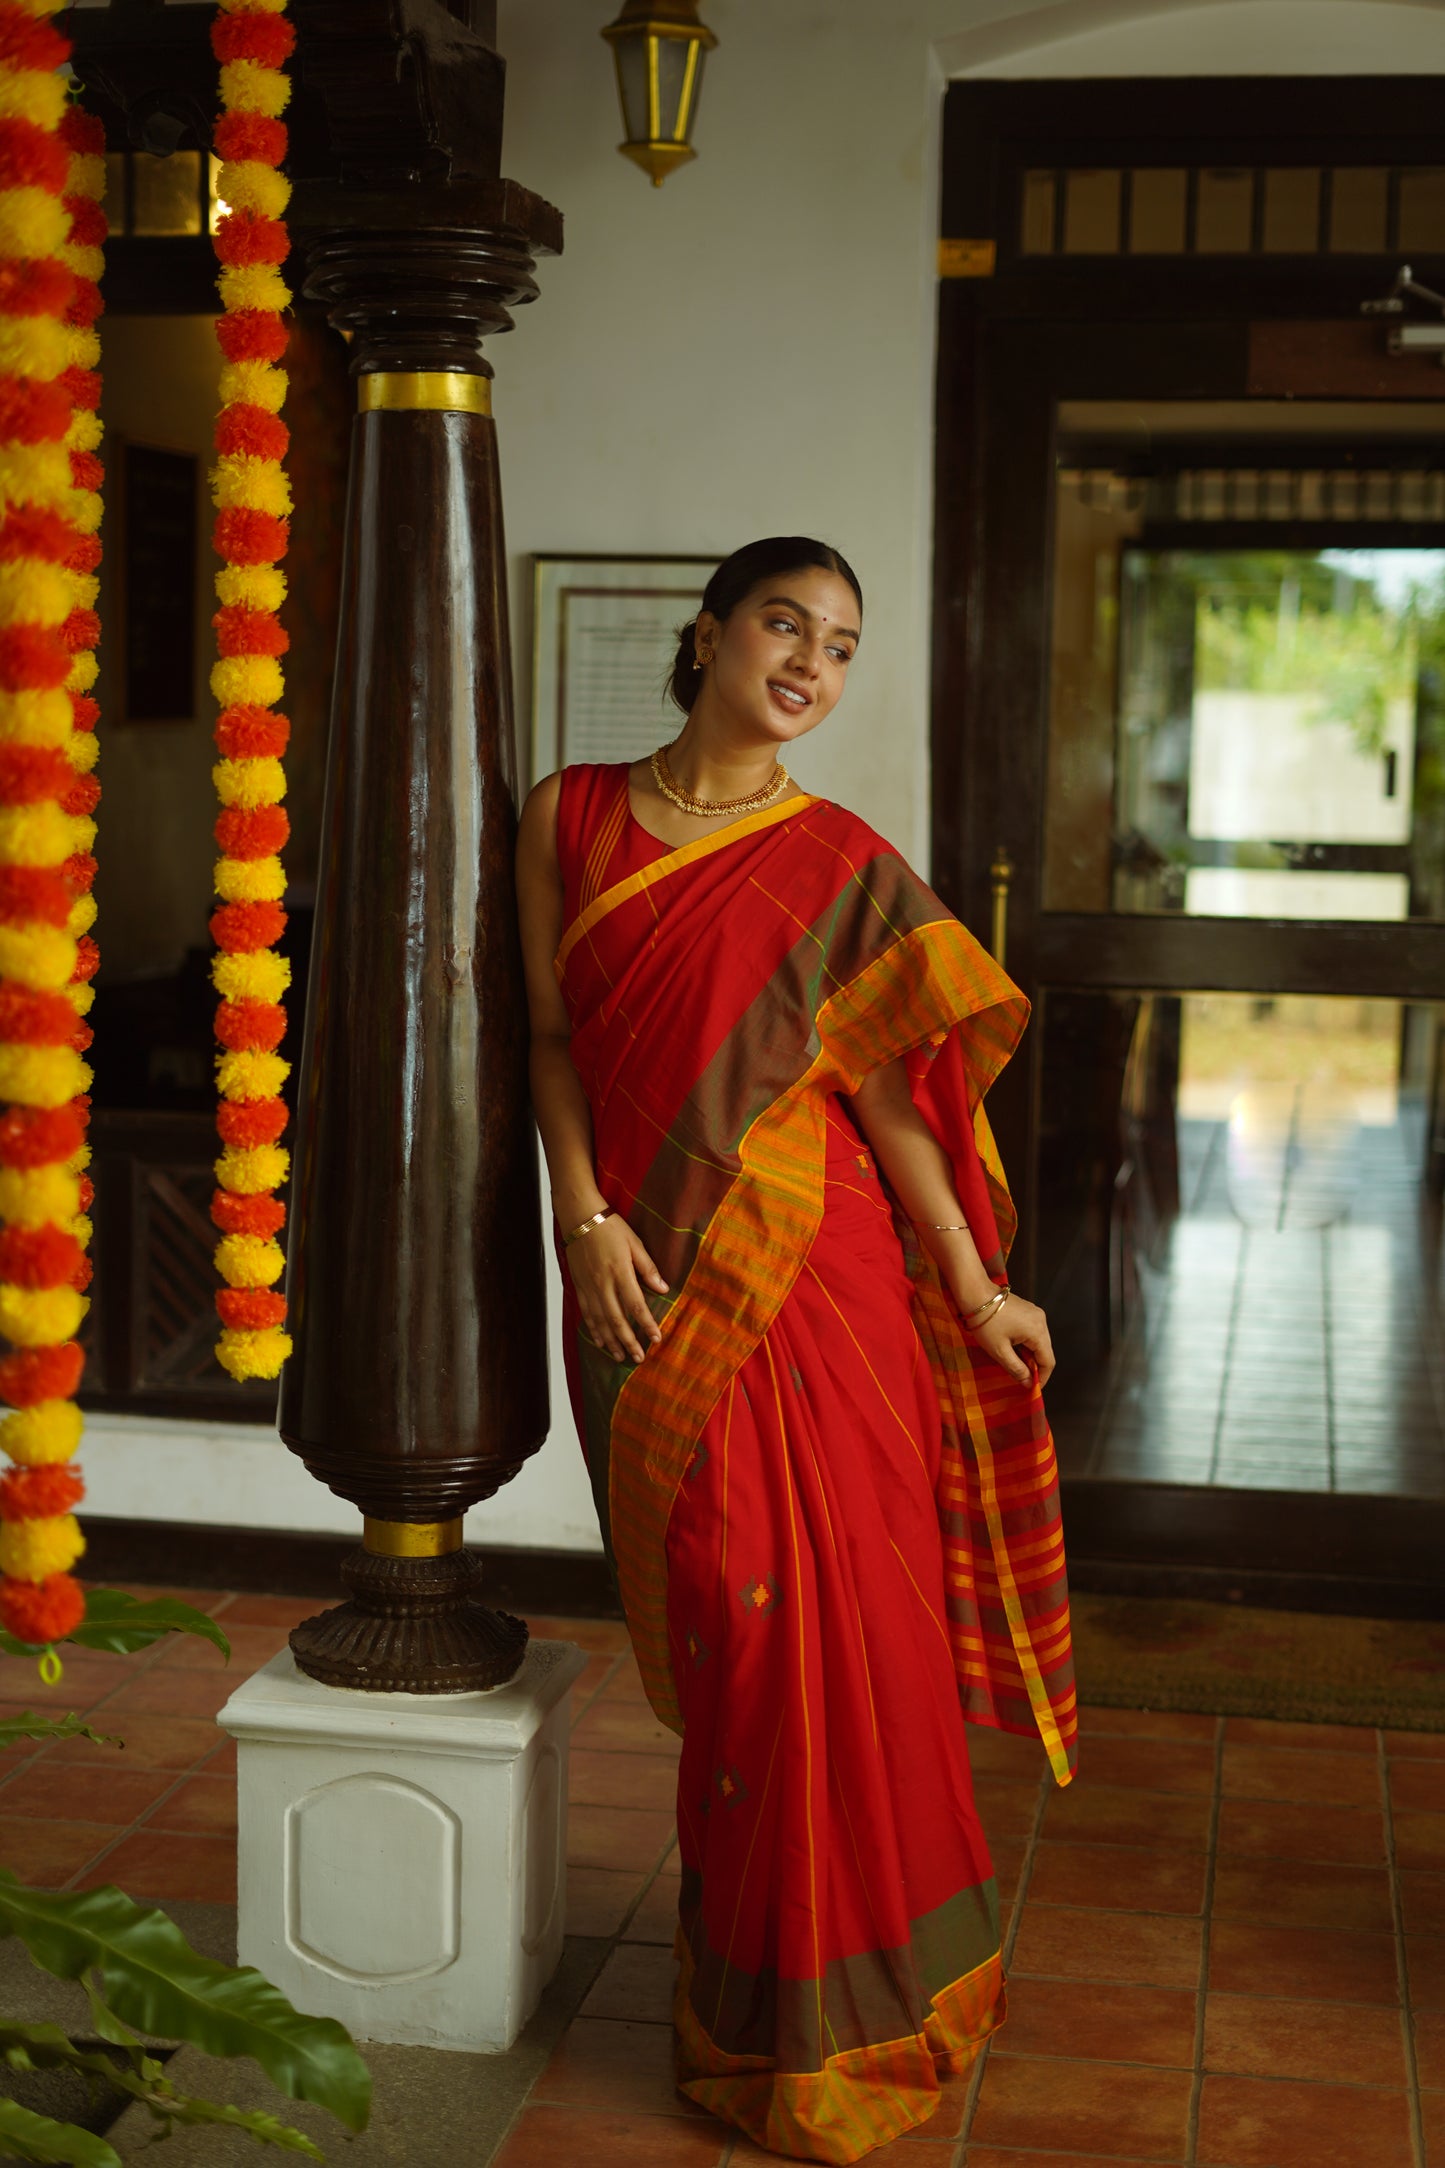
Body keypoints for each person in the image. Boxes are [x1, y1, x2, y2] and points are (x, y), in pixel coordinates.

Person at [516, 536, 1076, 2164]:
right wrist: (583, 1218)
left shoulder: (837, 860)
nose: (810, 663)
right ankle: (752, 2015)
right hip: (635, 1270)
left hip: (818, 1283)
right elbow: (548, 1041)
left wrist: (972, 1290)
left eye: (838, 644)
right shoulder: (568, 815)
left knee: (834, 1643)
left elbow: (898, 1103)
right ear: (704, 636)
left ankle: (842, 2021)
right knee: (736, 1637)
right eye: (783, 624)